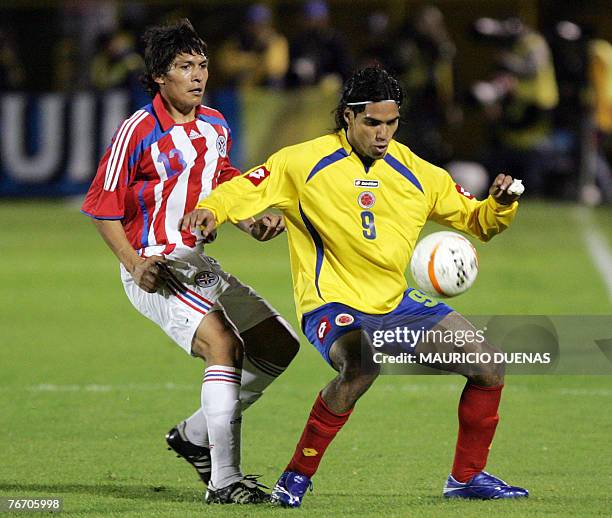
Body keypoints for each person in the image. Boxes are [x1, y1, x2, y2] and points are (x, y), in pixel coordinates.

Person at [181, 66, 529, 506]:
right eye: (372, 123)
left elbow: (478, 222)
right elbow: (243, 189)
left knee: (488, 366)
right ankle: (296, 477)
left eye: (391, 123)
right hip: (331, 303)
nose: (383, 134)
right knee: (362, 364)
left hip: (397, 302)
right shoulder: (303, 162)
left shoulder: (418, 173)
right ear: (348, 116)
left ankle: (466, 477)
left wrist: (500, 205)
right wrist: (211, 210)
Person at [81, 19, 299, 505]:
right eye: (184, 67)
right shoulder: (138, 130)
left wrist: (248, 219)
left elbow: (220, 183)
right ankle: (225, 481)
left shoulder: (215, 125)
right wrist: (135, 264)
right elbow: (101, 205)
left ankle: (195, 436)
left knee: (279, 344)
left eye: (201, 66)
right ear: (160, 75)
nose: (197, 76)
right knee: (224, 344)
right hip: (155, 267)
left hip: (194, 260)